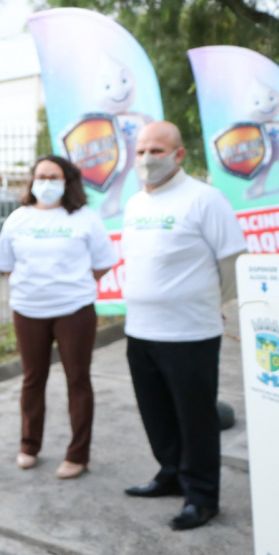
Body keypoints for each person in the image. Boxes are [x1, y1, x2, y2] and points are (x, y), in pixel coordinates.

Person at [121, 120, 246, 531]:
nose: (146, 159)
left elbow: (231, 263)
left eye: (156, 151)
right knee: (156, 414)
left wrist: (208, 301)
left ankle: (202, 497)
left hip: (190, 333)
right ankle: (170, 474)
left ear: (179, 154)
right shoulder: (136, 203)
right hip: (140, 331)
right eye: (141, 151)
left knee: (196, 419)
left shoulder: (205, 200)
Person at [0, 155, 117, 480]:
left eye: (53, 176)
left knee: (78, 379)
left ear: (67, 181)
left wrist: (70, 285)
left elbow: (102, 263)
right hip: (28, 311)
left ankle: (78, 454)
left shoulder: (85, 218)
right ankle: (29, 445)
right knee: (33, 379)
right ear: (32, 181)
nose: (46, 183)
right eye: (41, 176)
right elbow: (6, 265)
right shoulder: (18, 219)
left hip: (74, 311)